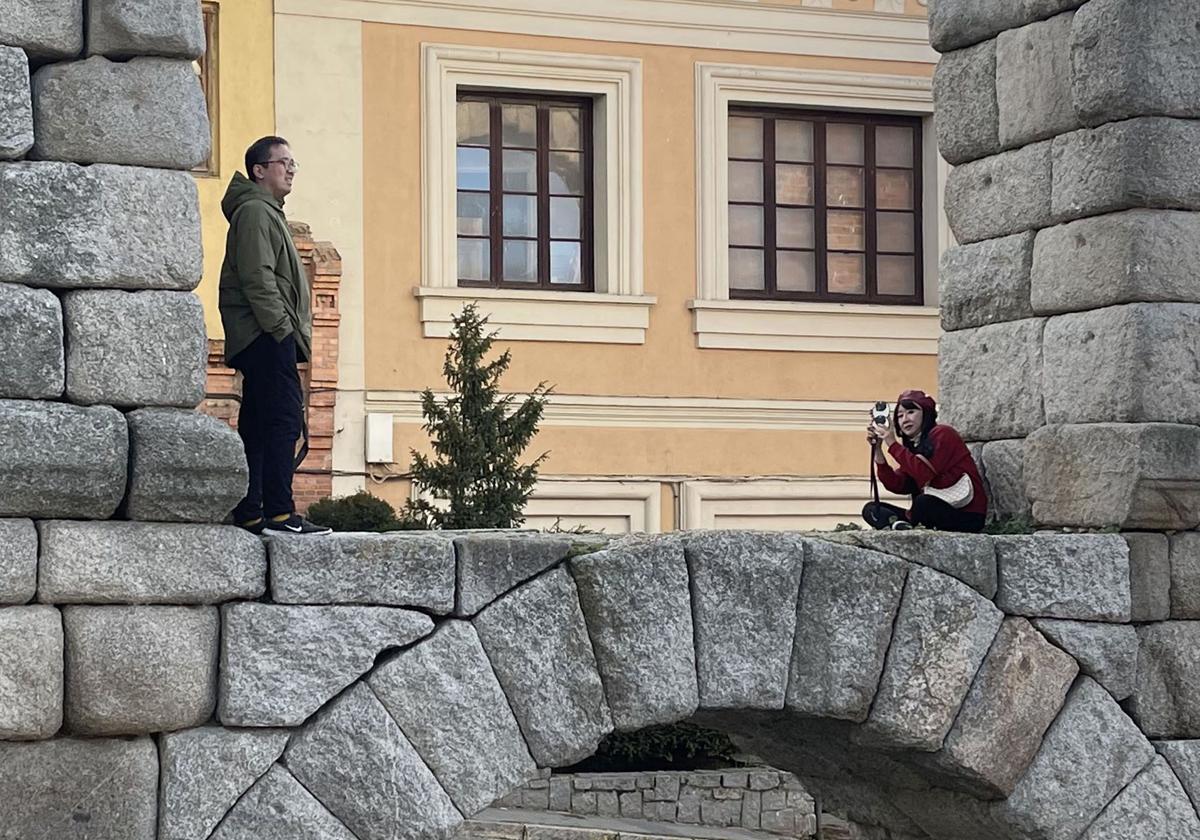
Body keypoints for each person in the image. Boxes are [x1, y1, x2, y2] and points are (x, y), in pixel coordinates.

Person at [218, 136, 330, 535]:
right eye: (283, 162)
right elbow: (258, 277)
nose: (291, 169)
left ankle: (253, 511)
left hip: (263, 334)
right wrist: (281, 329)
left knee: (262, 423)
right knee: (283, 420)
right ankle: (280, 513)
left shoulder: (266, 212)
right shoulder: (255, 212)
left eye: (293, 163)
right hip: (265, 335)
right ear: (259, 170)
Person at [862, 389, 987, 532]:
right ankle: (902, 527)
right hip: (927, 512)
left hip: (965, 514)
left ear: (926, 413)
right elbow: (898, 485)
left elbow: (923, 473)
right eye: (900, 415)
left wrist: (892, 443)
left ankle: (902, 526)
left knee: (923, 503)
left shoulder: (944, 434)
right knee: (872, 509)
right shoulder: (912, 447)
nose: (905, 419)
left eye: (911, 412)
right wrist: (878, 450)